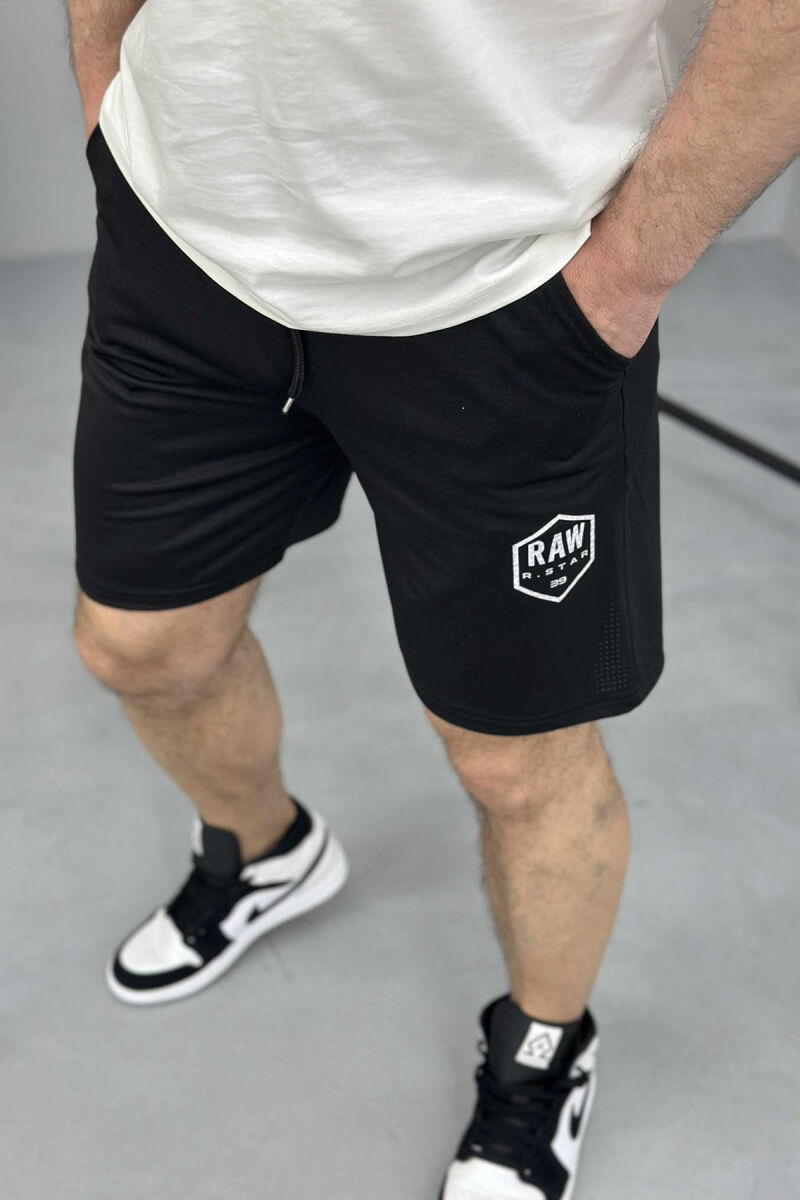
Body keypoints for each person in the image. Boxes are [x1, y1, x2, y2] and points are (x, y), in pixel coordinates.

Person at [65, 0, 799, 1195]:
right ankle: (264, 853)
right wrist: (104, 81)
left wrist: (630, 269)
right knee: (140, 644)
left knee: (516, 761)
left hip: (502, 287)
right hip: (185, 233)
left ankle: (541, 1051)